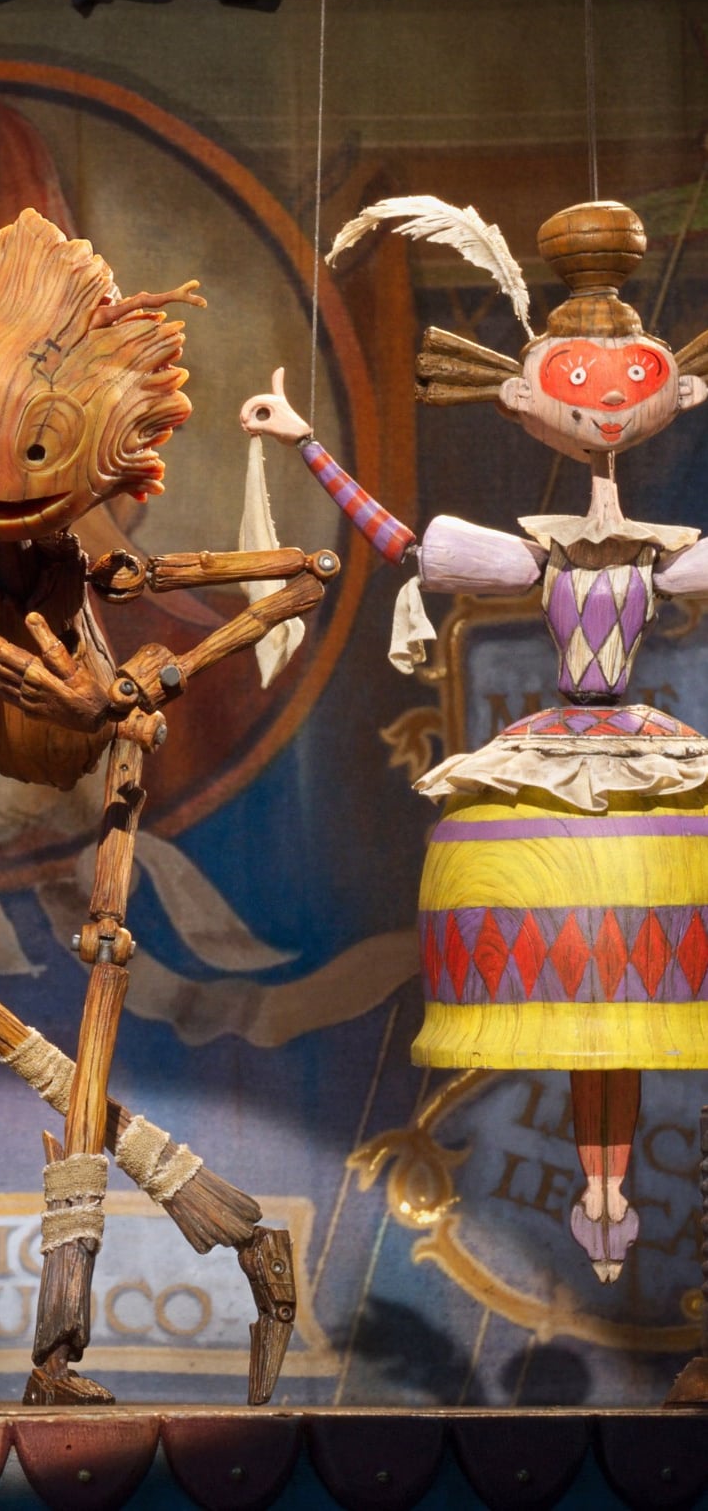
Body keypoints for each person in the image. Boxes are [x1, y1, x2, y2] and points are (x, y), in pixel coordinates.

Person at [243, 199, 708, 1281]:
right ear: (521, 392)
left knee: (627, 1010)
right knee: (585, 997)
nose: (604, 403)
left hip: (634, 760)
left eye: (629, 379)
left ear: (673, 389)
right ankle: (601, 1187)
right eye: (575, 380)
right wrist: (303, 442)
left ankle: (602, 1187)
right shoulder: (539, 559)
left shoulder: (658, 558)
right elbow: (402, 545)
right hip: (564, 758)